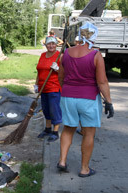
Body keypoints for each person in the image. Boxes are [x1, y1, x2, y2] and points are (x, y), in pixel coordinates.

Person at [57, 22, 114, 177]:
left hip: (68, 97)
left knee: (68, 129)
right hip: (88, 99)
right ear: (93, 36)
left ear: (80, 35)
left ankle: (62, 161)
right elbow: (102, 81)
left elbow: (60, 77)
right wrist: (108, 101)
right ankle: (84, 169)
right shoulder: (95, 55)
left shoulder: (66, 53)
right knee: (88, 133)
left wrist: (67, 90)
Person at [35, 36, 62, 142]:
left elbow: (65, 74)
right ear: (46, 45)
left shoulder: (59, 56)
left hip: (54, 87)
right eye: (49, 44)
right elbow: (39, 71)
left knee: (54, 109)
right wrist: (36, 84)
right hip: (43, 87)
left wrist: (58, 69)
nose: (51, 46)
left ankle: (55, 132)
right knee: (46, 109)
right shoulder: (42, 55)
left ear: (56, 45)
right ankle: (47, 129)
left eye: (53, 44)